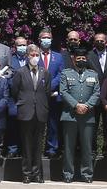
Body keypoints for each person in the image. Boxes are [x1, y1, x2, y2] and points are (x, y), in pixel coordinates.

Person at [10, 45, 51, 184]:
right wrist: (23, 102)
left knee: (38, 145)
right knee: (26, 145)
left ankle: (37, 174)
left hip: (40, 112)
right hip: (25, 112)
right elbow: (14, 91)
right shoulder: (20, 72)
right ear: (27, 56)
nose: (35, 57)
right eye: (32, 55)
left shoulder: (45, 72)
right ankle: (26, 174)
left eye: (37, 55)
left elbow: (47, 92)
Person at [59, 48, 100, 185]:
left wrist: (87, 106)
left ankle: (87, 173)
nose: (81, 60)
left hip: (87, 116)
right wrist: (76, 105)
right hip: (70, 115)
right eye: (78, 58)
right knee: (69, 147)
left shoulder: (93, 74)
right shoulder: (66, 73)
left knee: (87, 147)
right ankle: (68, 173)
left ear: (86, 59)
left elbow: (96, 93)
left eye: (83, 58)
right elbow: (63, 91)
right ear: (73, 59)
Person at [34, 29, 64, 159]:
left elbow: (60, 74)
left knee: (53, 124)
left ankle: (52, 149)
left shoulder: (58, 56)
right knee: (36, 124)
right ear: (39, 40)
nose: (46, 40)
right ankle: (35, 149)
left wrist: (50, 86)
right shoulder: (33, 56)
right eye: (44, 37)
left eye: (48, 38)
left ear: (51, 40)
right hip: (37, 96)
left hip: (53, 95)